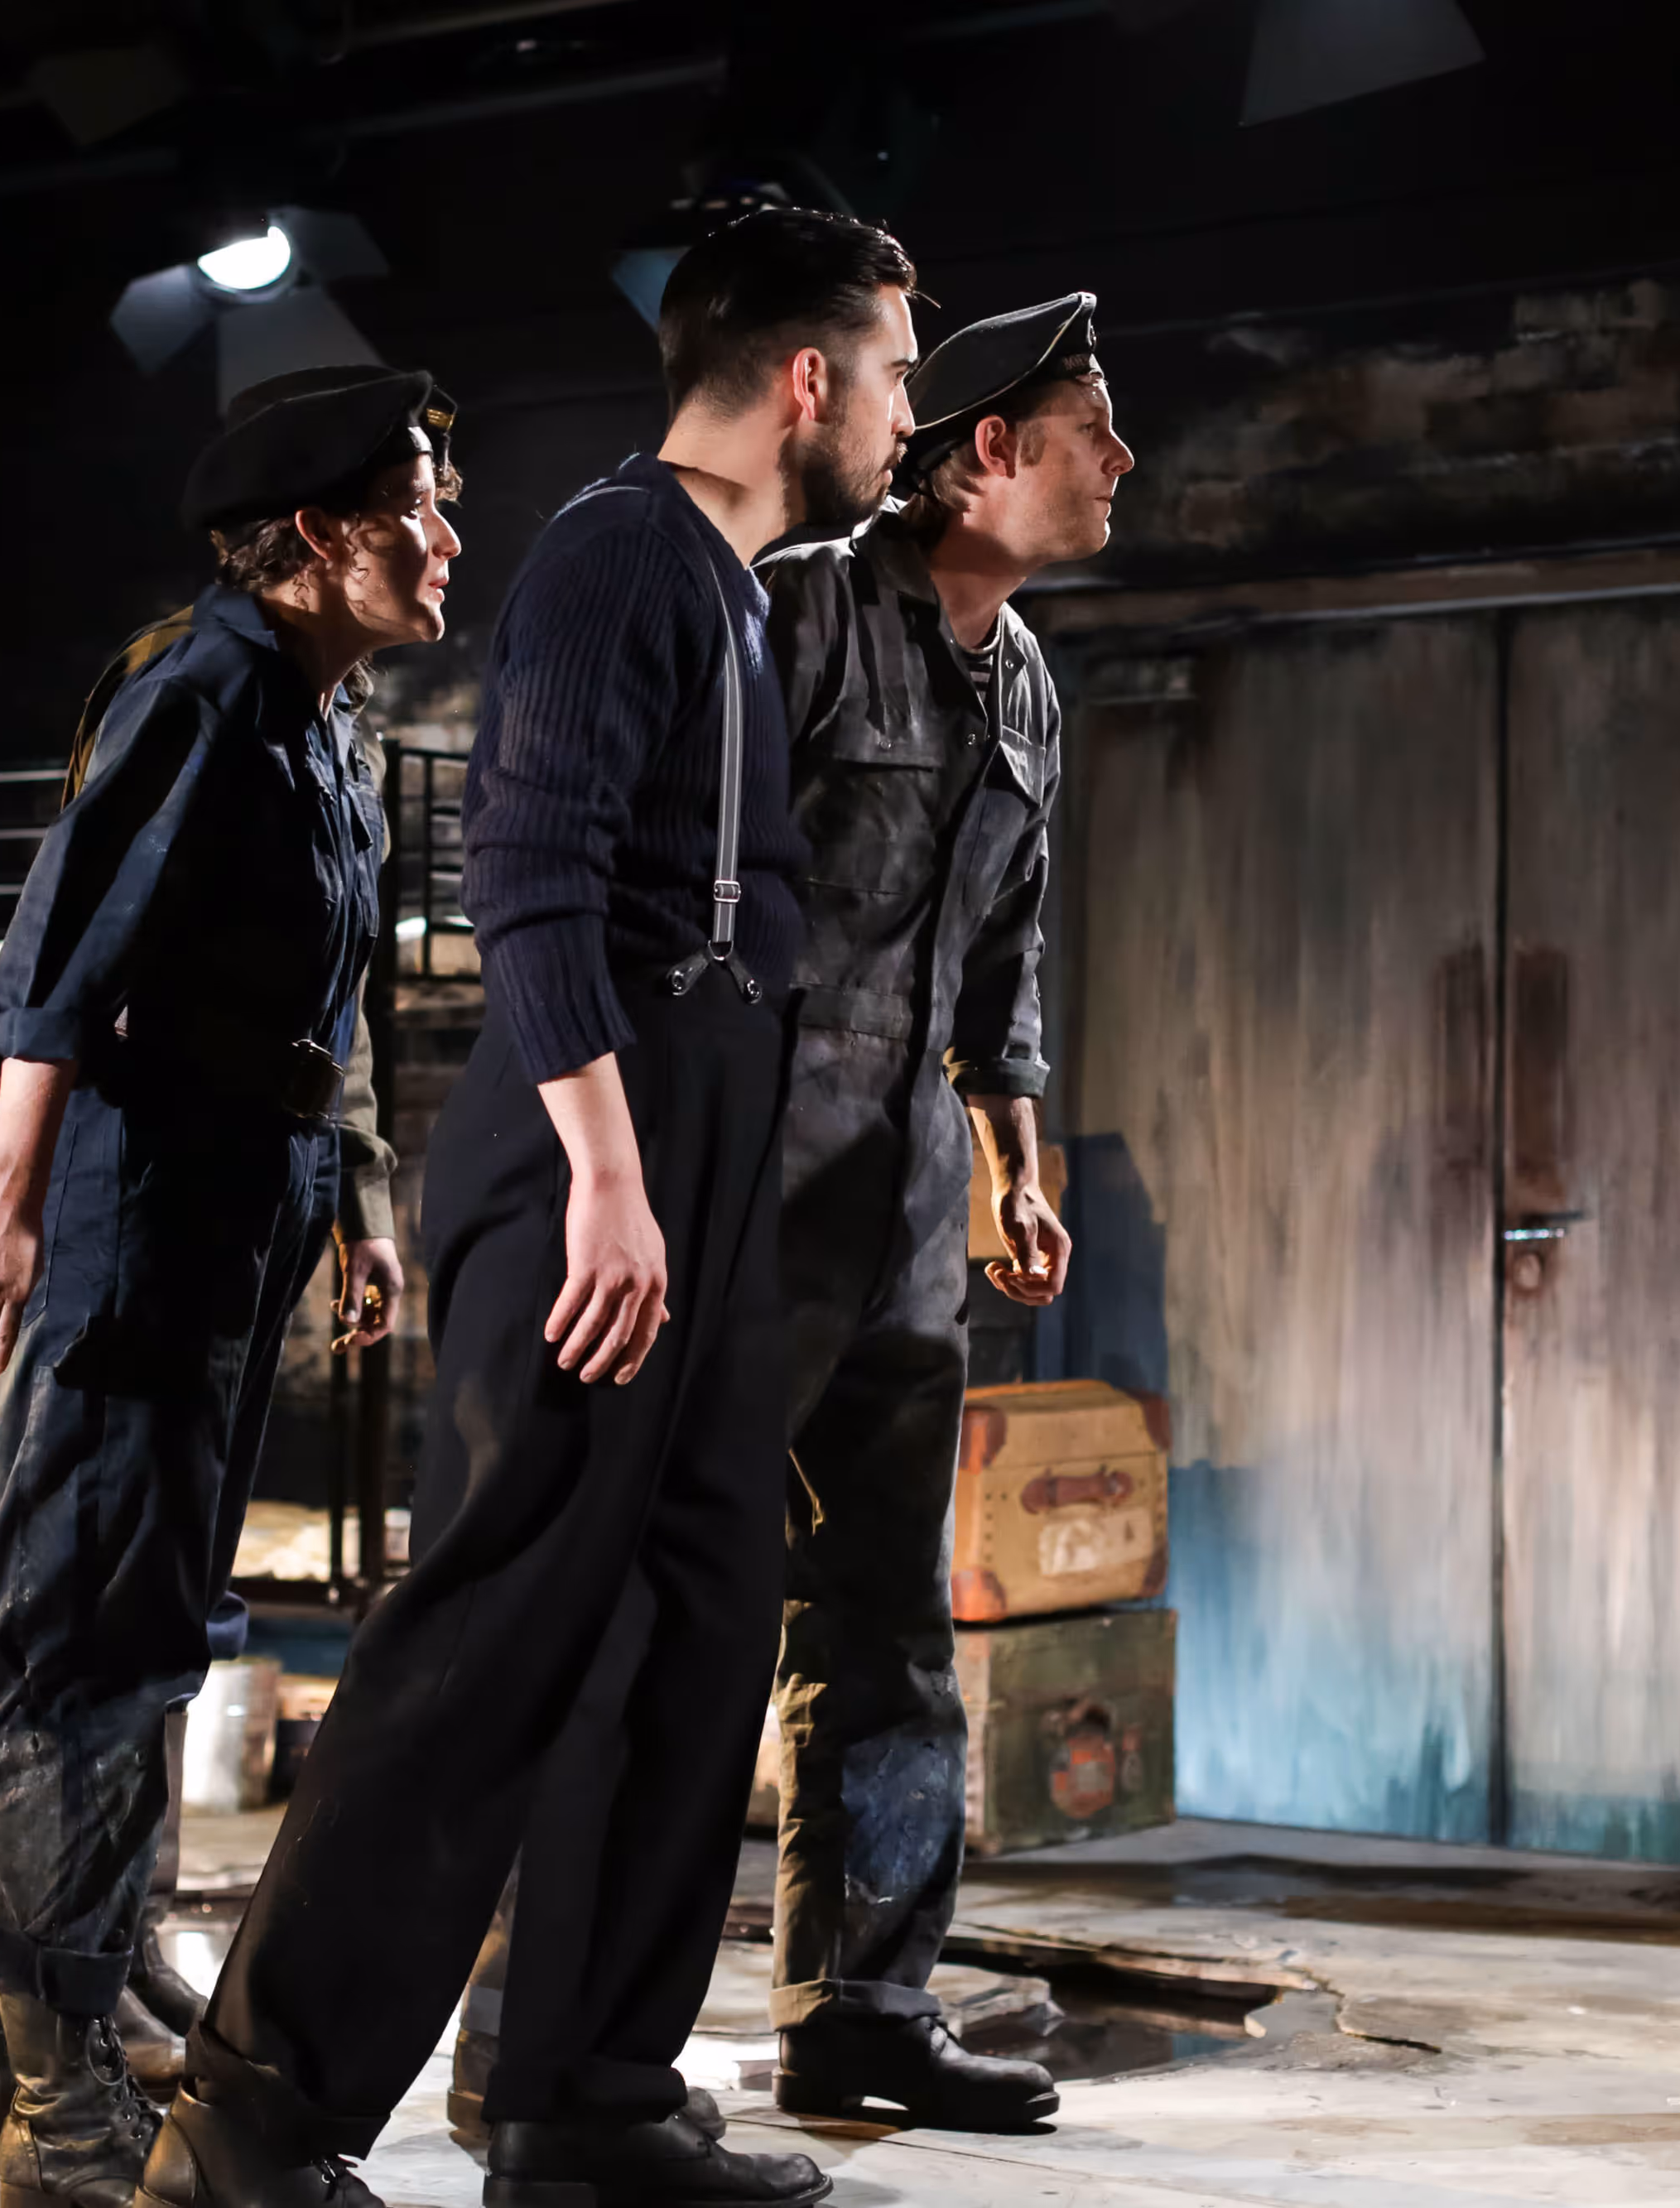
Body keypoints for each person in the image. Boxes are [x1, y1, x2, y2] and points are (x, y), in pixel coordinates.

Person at [138, 206, 919, 2208]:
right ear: (806, 377)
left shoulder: (746, 593)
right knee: (490, 1633)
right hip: (596, 1134)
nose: (911, 417)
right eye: (900, 374)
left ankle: (585, 2098)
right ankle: (250, 2117)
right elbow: (530, 869)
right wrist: (605, 1175)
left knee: (693, 1628)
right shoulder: (611, 553)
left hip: (708, 1150)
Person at [0, 368, 449, 2208]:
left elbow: (341, 1006)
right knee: (74, 1642)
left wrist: (362, 1197)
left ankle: (54, 2000)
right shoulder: (207, 687)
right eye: (414, 509)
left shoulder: (319, 713)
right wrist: (2, 1202)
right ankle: (53, 2083)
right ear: (316, 534)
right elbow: (62, 947)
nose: (444, 538)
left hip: (246, 1212)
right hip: (129, 1219)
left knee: (154, 1620)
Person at [751, 291, 1126, 2123]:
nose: (1120, 464)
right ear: (989, 449)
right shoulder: (806, 612)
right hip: (744, 1208)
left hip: (901, 1217)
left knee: (887, 1627)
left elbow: (1002, 954)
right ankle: (552, 2039)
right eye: (1092, 431)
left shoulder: (1028, 678)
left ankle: (860, 2008)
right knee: (657, 1616)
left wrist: (1011, 1162)